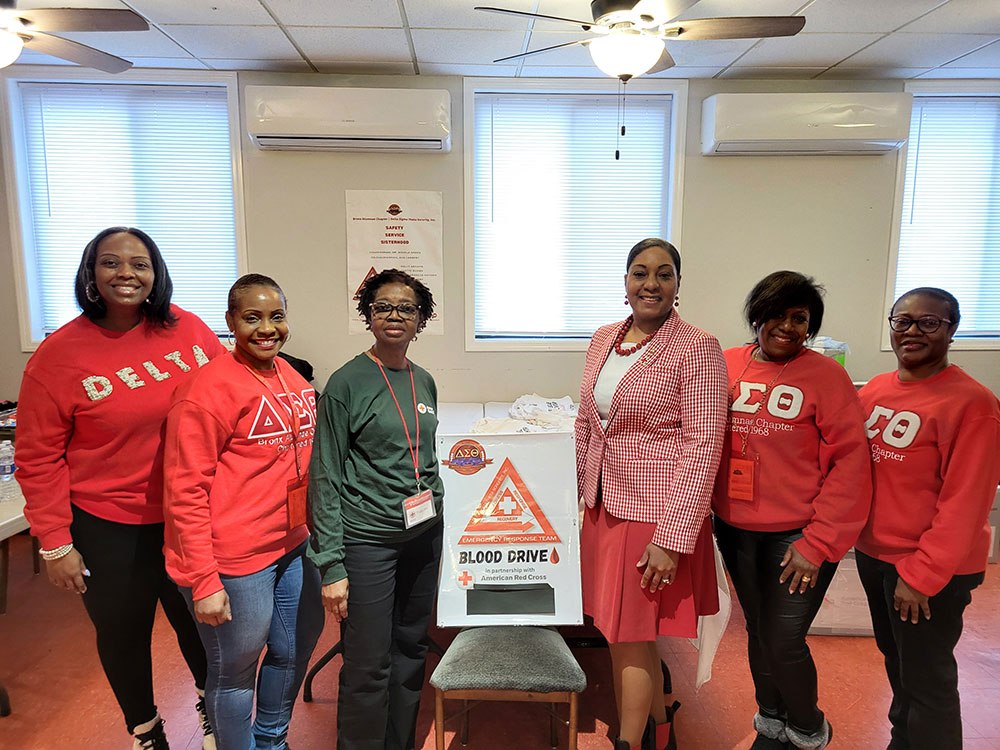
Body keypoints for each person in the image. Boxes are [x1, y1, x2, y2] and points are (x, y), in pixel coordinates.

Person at [14, 226, 224, 749]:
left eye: (139, 263)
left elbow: (229, 403)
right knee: (124, 634)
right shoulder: (58, 354)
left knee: (204, 626)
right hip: (109, 524)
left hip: (189, 516)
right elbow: (37, 457)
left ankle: (211, 706)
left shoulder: (188, 331)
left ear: (156, 274)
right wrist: (55, 542)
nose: (126, 273)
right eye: (111, 263)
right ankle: (146, 730)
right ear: (90, 273)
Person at [575, 238, 727, 750]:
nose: (651, 284)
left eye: (664, 274)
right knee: (622, 630)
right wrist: (582, 492)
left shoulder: (696, 345)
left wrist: (673, 537)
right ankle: (663, 730)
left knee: (630, 635)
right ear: (625, 283)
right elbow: (587, 423)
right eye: (640, 273)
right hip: (604, 505)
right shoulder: (603, 339)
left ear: (678, 285)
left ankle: (630, 741)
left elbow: (704, 443)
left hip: (654, 513)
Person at [163, 273, 324, 750]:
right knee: (234, 671)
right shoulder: (206, 389)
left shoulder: (290, 375)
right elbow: (184, 490)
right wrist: (204, 580)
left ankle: (271, 742)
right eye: (252, 318)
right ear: (230, 321)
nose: (266, 328)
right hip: (232, 559)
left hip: (292, 544)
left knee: (292, 651)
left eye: (276, 316)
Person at [711, 271, 872, 750]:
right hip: (734, 529)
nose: (787, 326)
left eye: (799, 318)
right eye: (777, 314)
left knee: (784, 639)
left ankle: (807, 728)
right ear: (756, 315)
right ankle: (771, 718)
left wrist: (817, 544)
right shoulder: (726, 363)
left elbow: (851, 464)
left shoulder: (826, 376)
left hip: (796, 537)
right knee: (758, 632)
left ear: (810, 326)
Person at [856, 287, 1000, 750]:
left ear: (952, 330)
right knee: (899, 667)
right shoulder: (877, 390)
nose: (912, 331)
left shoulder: (972, 404)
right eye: (903, 321)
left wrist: (922, 575)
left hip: (926, 569)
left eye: (929, 322)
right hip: (875, 555)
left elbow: (967, 502)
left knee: (928, 681)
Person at [307, 268, 444, 750]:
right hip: (367, 542)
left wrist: (437, 503)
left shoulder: (424, 380)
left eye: (406, 308)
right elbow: (323, 475)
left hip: (422, 538)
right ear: (367, 315)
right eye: (383, 306)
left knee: (410, 652)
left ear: (420, 319)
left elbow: (421, 459)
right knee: (367, 662)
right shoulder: (346, 383)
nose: (394, 316)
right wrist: (331, 565)